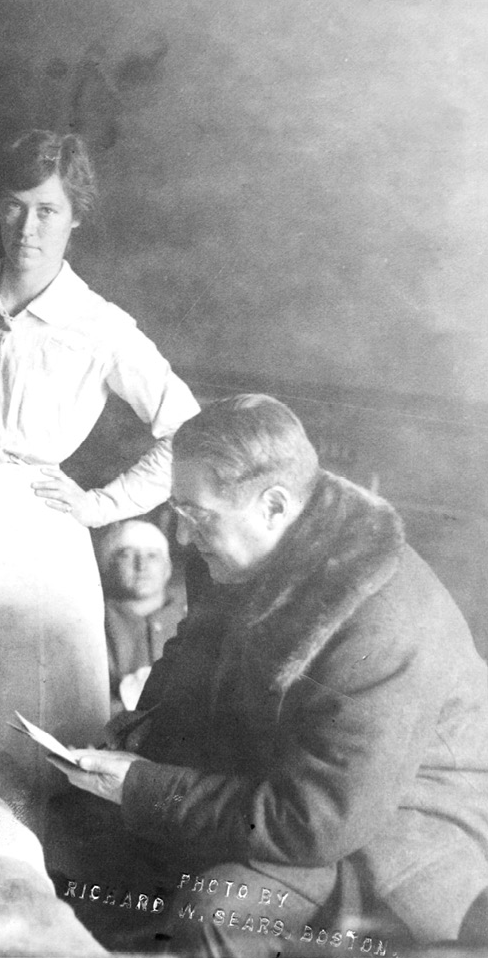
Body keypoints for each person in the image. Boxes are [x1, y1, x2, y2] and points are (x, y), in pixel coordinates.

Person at [48, 395, 488, 956]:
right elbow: (193, 651)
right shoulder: (247, 546)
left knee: (218, 912)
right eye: (178, 513)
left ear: (274, 506)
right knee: (66, 823)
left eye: (198, 517)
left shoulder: (379, 618)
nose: (183, 538)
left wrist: (143, 785)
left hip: (398, 829)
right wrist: (142, 729)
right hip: (299, 783)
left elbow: (316, 823)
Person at [0, 129, 199, 821]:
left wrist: (101, 503)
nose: (28, 226)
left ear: (76, 216)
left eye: (47, 210)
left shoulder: (98, 324)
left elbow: (186, 426)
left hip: (35, 546)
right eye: (16, 206)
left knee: (16, 727)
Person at [98, 518, 185, 714]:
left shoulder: (195, 620)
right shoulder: (92, 625)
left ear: (167, 568)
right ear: (108, 567)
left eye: (152, 555)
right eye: (126, 555)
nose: (141, 565)